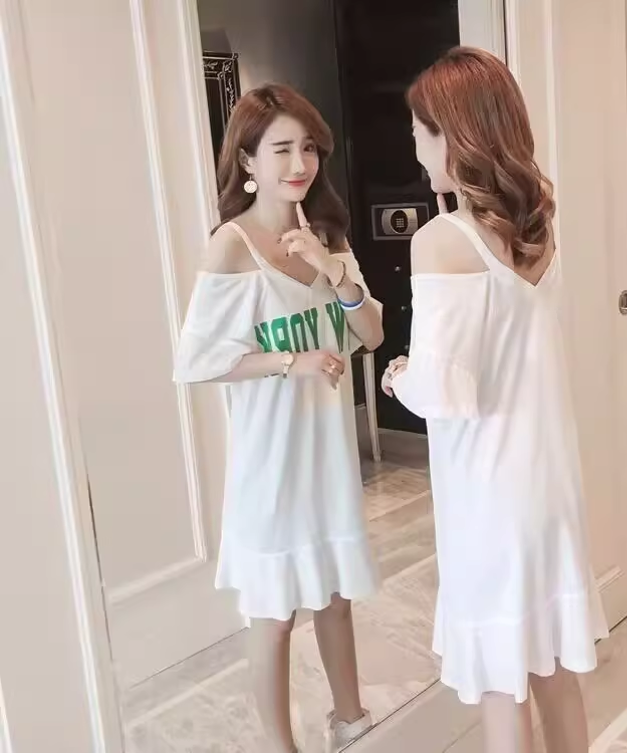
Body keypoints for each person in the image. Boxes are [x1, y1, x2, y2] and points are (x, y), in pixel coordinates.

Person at [381, 47, 608, 753]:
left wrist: (397, 375)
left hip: (490, 499)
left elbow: (442, 389)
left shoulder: (441, 241)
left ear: (452, 135)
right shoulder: (538, 227)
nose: (416, 151)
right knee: (551, 669)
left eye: (419, 134)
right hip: (548, 483)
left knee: (501, 686)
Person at [174, 83, 383, 753]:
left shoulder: (327, 235)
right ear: (247, 160)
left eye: (309, 148)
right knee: (273, 615)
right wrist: (289, 360)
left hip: (327, 456)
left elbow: (372, 334)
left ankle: (351, 721)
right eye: (282, 149)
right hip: (271, 464)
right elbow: (198, 361)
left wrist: (334, 272)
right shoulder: (231, 246)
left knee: (335, 598)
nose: (299, 164)